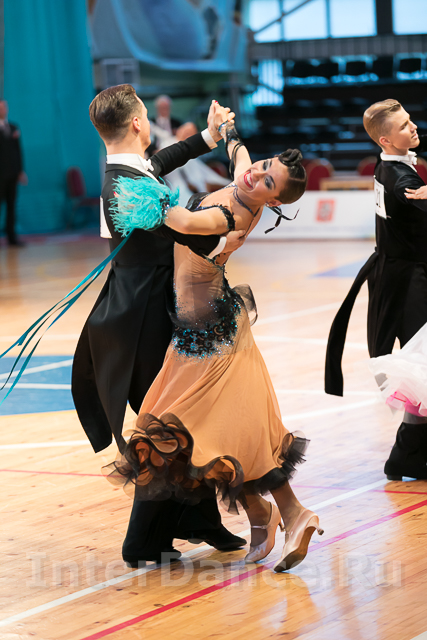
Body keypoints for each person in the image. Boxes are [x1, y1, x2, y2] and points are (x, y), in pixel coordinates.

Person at [105, 121, 324, 574]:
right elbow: (240, 156)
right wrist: (228, 131)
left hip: (212, 339)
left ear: (273, 201)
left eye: (267, 182)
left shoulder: (230, 216)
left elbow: (185, 222)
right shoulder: (246, 182)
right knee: (217, 434)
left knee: (190, 431)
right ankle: (272, 514)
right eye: (263, 165)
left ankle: (282, 512)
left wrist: (146, 196)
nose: (255, 174)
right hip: (200, 329)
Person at [72, 84, 246, 566]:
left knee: (182, 421)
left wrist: (208, 137)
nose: (149, 121)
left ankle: (196, 521)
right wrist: (229, 227)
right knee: (167, 428)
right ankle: (143, 541)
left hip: (145, 306)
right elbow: (179, 232)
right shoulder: (128, 187)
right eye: (146, 115)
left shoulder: (129, 172)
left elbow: (162, 161)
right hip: (140, 319)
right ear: (136, 123)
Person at [325, 99, 427, 481]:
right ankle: (405, 455)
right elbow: (407, 194)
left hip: (397, 274)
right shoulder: (402, 180)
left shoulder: (389, 166)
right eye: (403, 126)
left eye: (410, 120)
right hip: (407, 282)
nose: (413, 127)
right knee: (420, 369)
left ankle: (411, 455)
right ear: (385, 140)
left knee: (421, 368)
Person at [0, 99, 27, 246]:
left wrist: (20, 171)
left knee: (11, 206)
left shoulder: (13, 127)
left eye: (4, 107)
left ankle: (12, 238)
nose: (2, 110)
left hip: (12, 174)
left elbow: (18, 151)